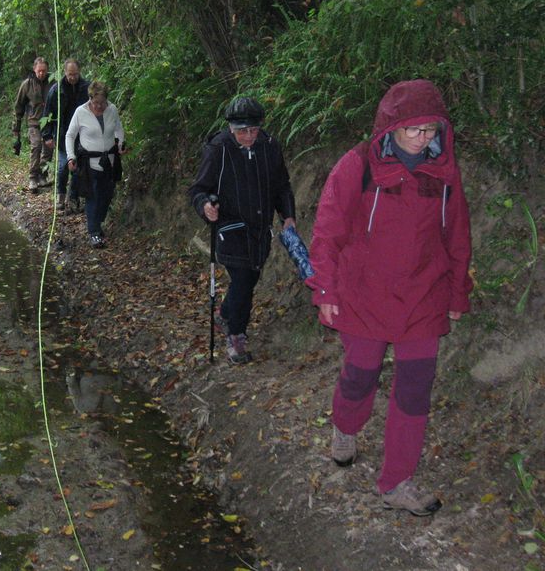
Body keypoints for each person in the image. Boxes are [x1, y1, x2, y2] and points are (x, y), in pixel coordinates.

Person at [308, 79, 472, 517]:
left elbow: (457, 236)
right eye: (413, 131)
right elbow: (328, 229)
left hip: (424, 295)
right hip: (365, 293)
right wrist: (325, 287)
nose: (422, 140)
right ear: (390, 128)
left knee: (415, 390)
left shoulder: (444, 174)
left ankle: (397, 481)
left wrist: (458, 290)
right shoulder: (357, 165)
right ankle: (346, 426)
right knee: (361, 374)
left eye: (431, 131)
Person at [188, 97, 296, 364]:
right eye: (242, 131)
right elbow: (198, 189)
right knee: (243, 281)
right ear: (231, 128)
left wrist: (288, 216)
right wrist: (205, 207)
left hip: (260, 228)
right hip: (230, 227)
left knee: (250, 278)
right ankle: (236, 334)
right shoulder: (219, 148)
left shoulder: (269, 147)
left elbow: (282, 185)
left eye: (253, 130)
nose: (249, 136)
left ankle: (225, 314)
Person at [65, 81, 126, 248]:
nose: (99, 106)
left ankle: (97, 224)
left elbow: (118, 129)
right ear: (90, 99)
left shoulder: (112, 110)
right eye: (96, 103)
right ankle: (94, 232)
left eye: (102, 102)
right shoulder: (81, 112)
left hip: (110, 161)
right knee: (93, 196)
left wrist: (120, 144)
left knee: (106, 195)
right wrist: (71, 157)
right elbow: (70, 135)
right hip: (89, 163)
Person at [42, 58, 90, 212]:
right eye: (70, 74)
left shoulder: (87, 88)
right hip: (63, 136)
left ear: (79, 72)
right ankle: (61, 197)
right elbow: (47, 113)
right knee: (63, 167)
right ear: (65, 73)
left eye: (75, 74)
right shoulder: (56, 90)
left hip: (82, 136)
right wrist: (47, 135)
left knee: (77, 168)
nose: (72, 77)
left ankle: (74, 198)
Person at [12, 56, 53, 191]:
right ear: (34, 70)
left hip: (49, 121)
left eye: (44, 71)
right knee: (36, 146)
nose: (42, 73)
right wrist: (16, 128)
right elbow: (19, 107)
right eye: (39, 71)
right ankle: (32, 178)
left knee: (48, 150)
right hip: (34, 122)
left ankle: (42, 175)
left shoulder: (53, 82)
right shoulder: (27, 84)